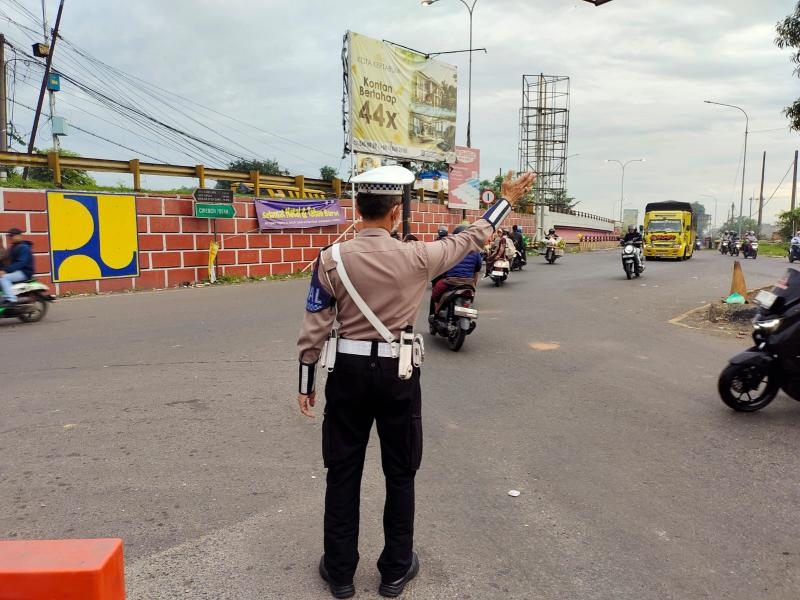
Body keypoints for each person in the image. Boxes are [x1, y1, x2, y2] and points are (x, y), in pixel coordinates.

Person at [295, 165, 535, 599]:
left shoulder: (330, 258)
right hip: (398, 374)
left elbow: (315, 325)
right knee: (400, 473)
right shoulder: (420, 256)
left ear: (358, 207)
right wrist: (506, 200)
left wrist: (306, 378)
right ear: (393, 215)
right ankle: (394, 572)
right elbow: (474, 236)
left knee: (342, 472)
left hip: (346, 376)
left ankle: (341, 573)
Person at [428, 224, 482, 319]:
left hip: (451, 282)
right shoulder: (476, 250)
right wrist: (473, 284)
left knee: (435, 293)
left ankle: (436, 312)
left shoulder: (450, 248)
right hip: (468, 283)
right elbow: (477, 270)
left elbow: (442, 264)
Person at [1, 228, 34, 305]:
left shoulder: (24, 247)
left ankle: (11, 300)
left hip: (24, 272)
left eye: (12, 236)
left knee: (3, 278)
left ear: (19, 236)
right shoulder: (13, 247)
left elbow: (21, 263)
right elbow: (7, 260)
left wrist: (5, 271)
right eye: (10, 236)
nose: (10, 238)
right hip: (17, 271)